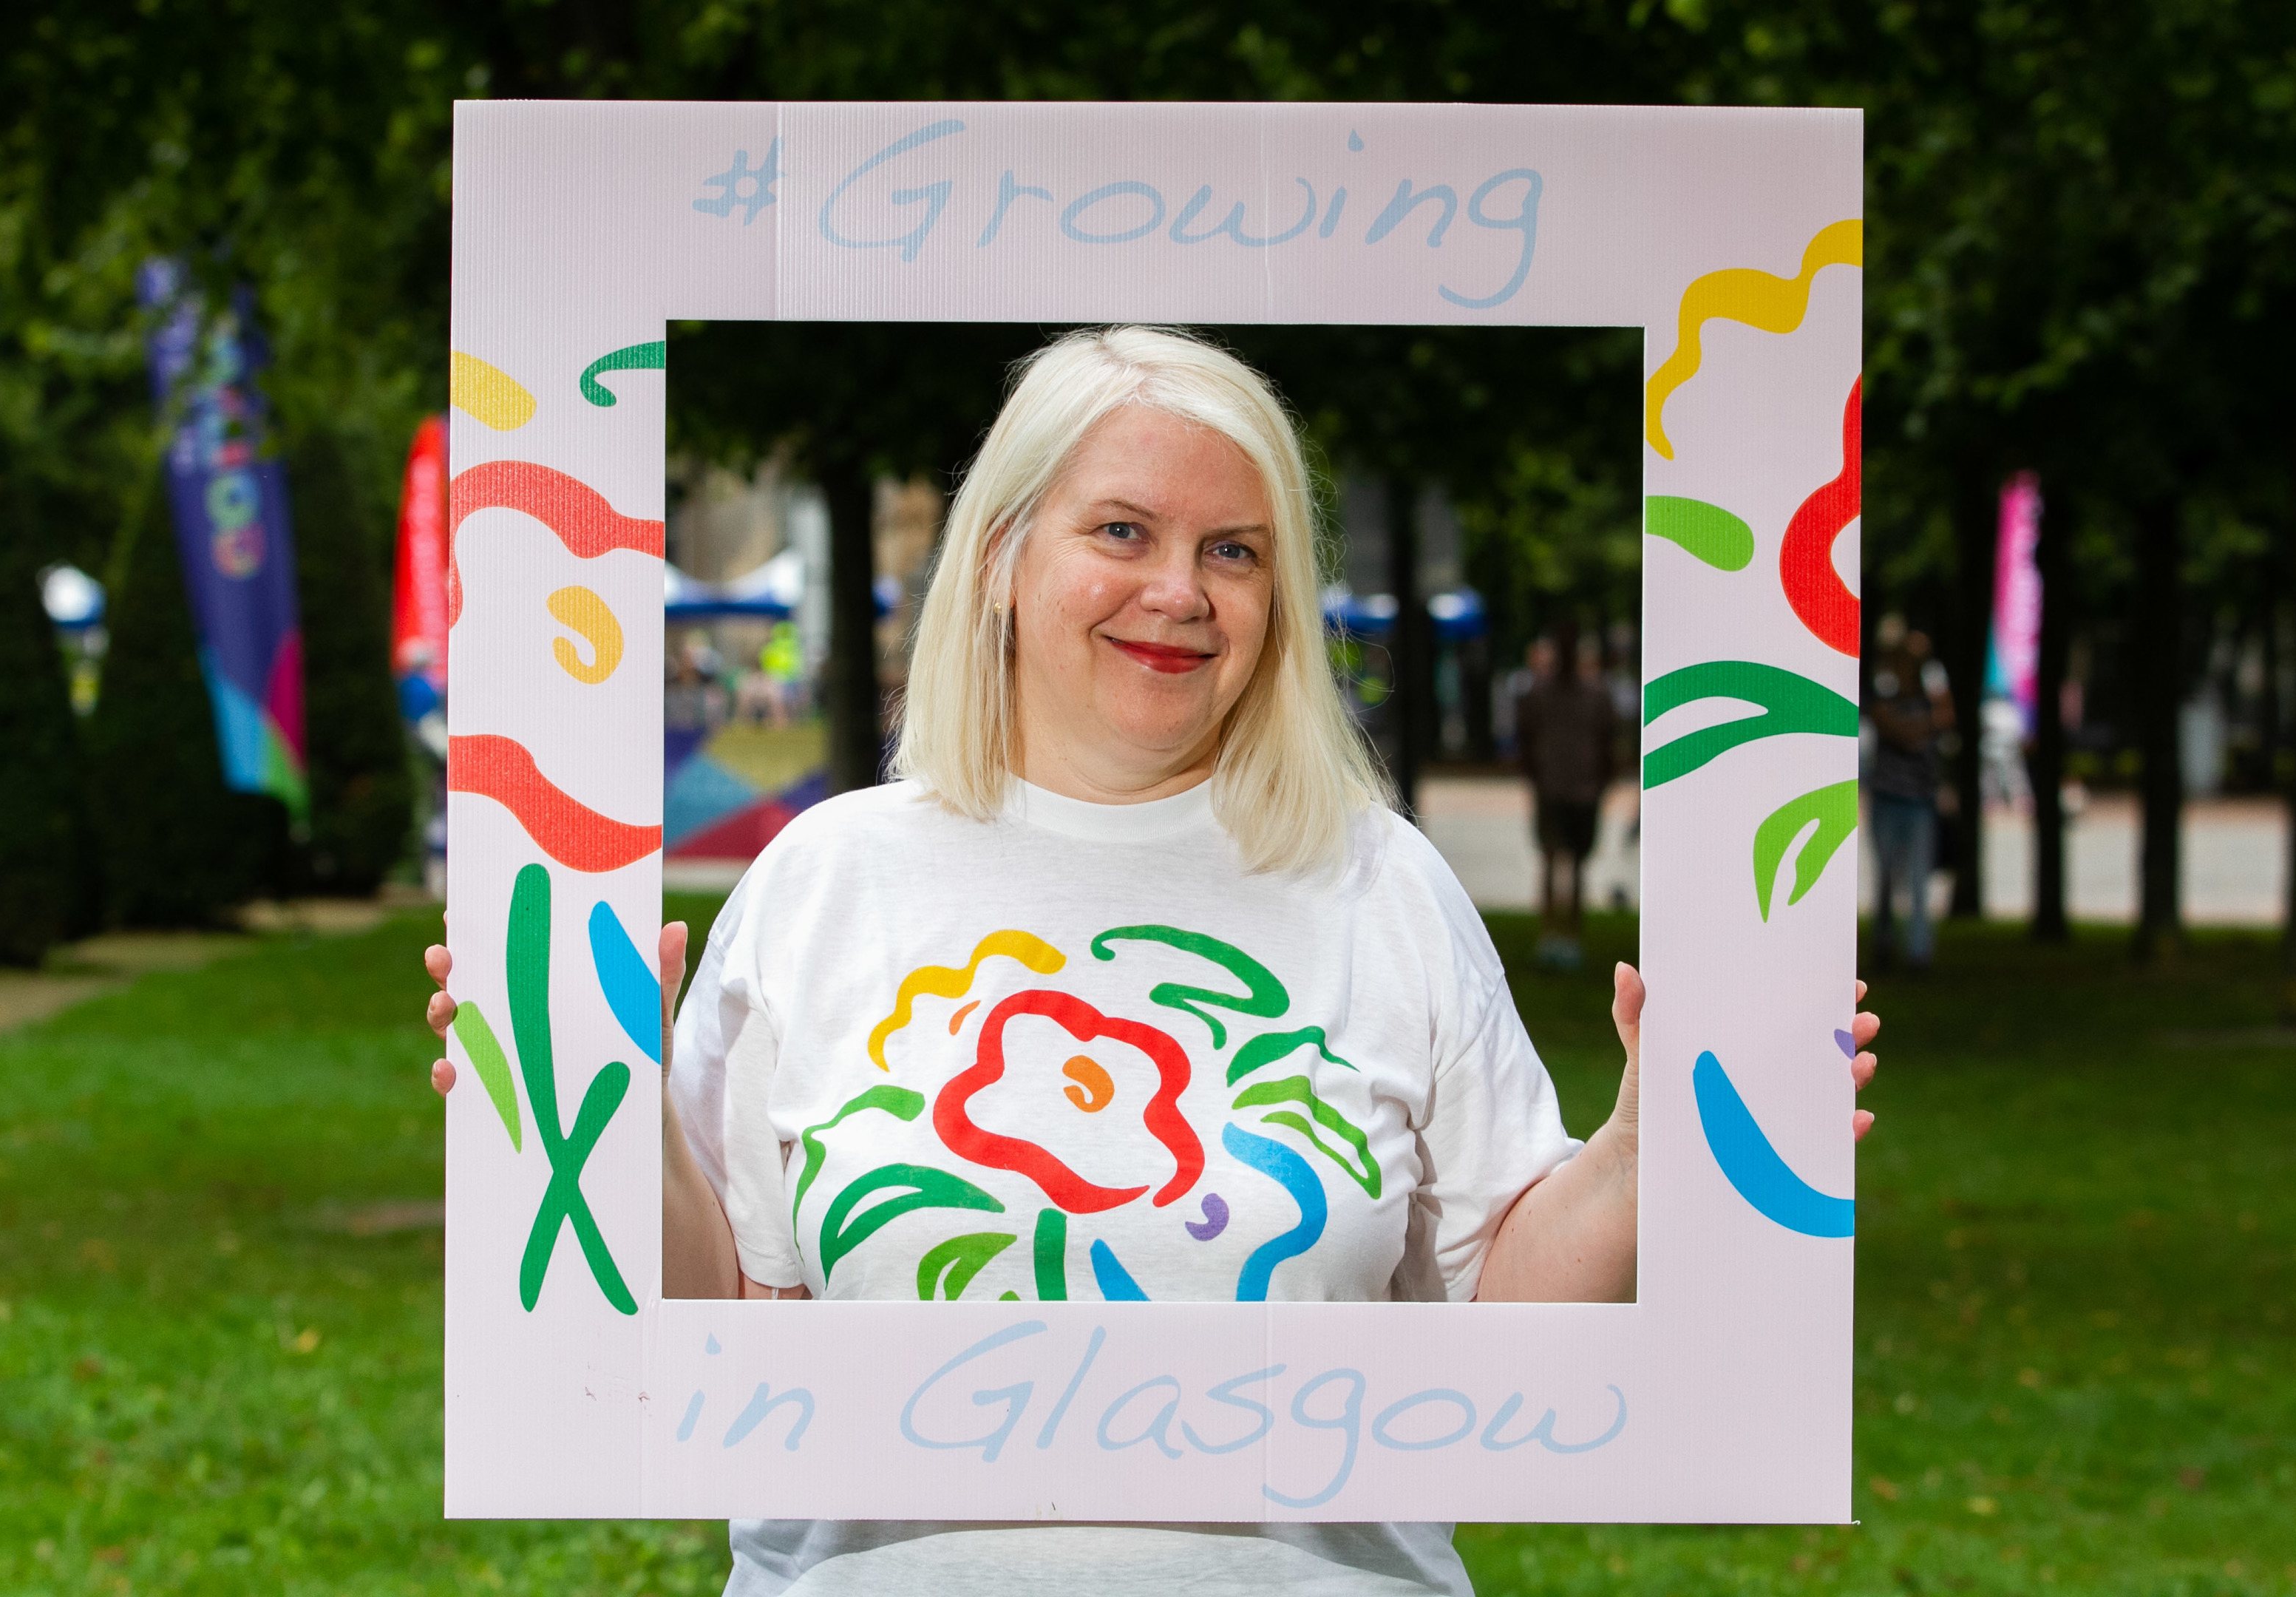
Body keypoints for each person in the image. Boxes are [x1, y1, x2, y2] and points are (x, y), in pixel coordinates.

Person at [426, 327, 1884, 1596]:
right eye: (1120, 532)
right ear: (999, 558)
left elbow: (1499, 1330)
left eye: (1230, 549)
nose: (1177, 591)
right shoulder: (822, 879)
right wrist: (576, 1101)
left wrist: (1646, 1151)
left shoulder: (1379, 883)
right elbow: (712, 1326)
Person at [1514, 619, 1618, 972]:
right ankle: (1548, 937)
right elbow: (1525, 737)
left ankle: (1572, 939)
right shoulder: (1539, 693)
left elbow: (1608, 741)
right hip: (1552, 787)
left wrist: (1603, 782)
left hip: (1584, 790)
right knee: (1549, 859)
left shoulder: (1596, 694)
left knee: (1576, 864)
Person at [1865, 620, 1954, 971]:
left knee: (1919, 881)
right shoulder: (1882, 699)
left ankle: (1919, 954)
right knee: (1885, 878)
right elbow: (1901, 732)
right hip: (1888, 800)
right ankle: (1884, 945)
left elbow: (1942, 720)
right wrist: (1924, 727)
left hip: (1920, 803)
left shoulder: (1930, 701)